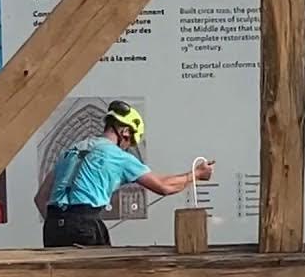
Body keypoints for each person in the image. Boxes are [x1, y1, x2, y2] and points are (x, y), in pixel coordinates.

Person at [34, 100, 215, 248]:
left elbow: (41, 198)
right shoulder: (117, 156)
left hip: (52, 228)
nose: (128, 146)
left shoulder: (71, 151)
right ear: (125, 131)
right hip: (84, 225)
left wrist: (61, 222)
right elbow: (163, 186)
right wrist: (197, 174)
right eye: (130, 141)